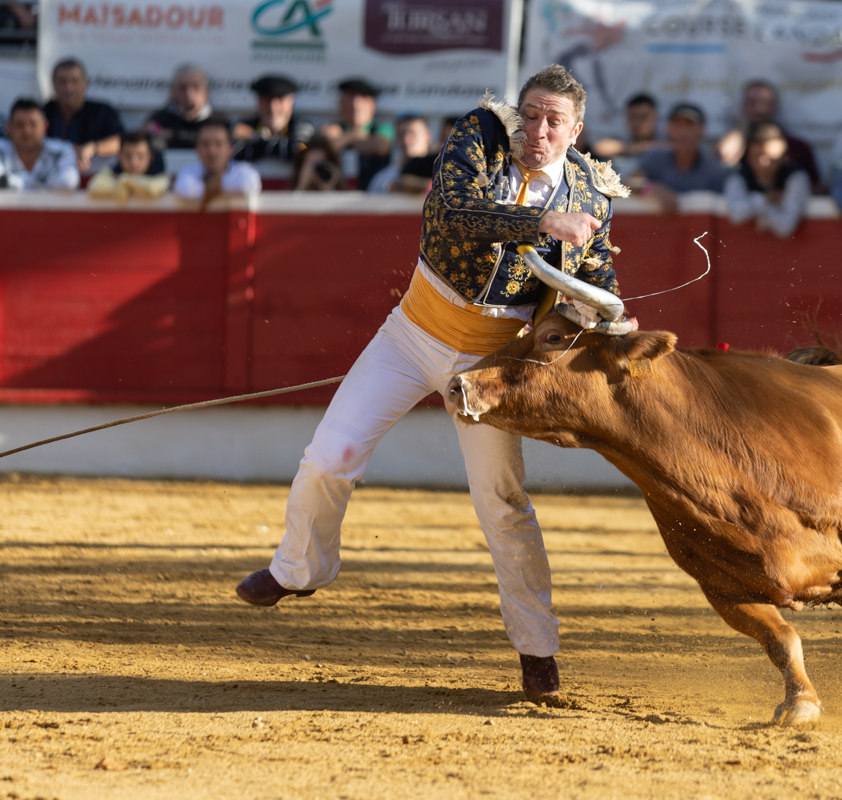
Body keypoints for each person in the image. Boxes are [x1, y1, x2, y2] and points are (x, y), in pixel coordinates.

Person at [233, 64, 630, 707]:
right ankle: (297, 571)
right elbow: (453, 212)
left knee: (501, 502)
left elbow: (599, 272)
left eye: (553, 120)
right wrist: (540, 226)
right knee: (330, 455)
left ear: (575, 129)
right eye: (529, 114)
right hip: (411, 333)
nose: (536, 130)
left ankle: (537, 652)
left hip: (491, 366)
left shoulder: (592, 194)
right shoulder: (480, 132)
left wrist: (604, 309)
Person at [717, 80, 821, 193]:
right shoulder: (737, 144)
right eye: (751, 103)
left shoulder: (798, 147)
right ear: (743, 106)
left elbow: (816, 187)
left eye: (765, 102)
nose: (759, 109)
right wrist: (740, 129)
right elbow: (724, 158)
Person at [636, 102, 729, 214]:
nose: (682, 133)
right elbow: (629, 182)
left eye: (689, 125)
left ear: (702, 130)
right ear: (668, 129)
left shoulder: (716, 171)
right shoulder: (655, 158)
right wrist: (653, 189)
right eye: (677, 125)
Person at [724, 122, 811, 238]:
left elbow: (786, 227)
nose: (763, 163)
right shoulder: (738, 177)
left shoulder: (796, 177)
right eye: (757, 156)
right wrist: (766, 199)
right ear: (748, 157)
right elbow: (736, 215)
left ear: (784, 157)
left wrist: (756, 204)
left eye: (771, 157)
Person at [42, 58, 124, 171]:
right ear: (53, 84)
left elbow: (120, 142)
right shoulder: (42, 112)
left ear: (86, 83)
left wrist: (92, 148)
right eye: (62, 82)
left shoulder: (102, 111)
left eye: (74, 81)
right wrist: (66, 149)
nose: (68, 88)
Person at [318, 77, 394, 190]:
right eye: (349, 99)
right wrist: (360, 138)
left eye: (362, 100)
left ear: (373, 105)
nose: (355, 106)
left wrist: (346, 139)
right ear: (341, 103)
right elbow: (328, 146)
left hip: (374, 195)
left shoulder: (383, 128)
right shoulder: (331, 128)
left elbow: (380, 146)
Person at [175, 118, 262, 204]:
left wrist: (209, 187)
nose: (212, 151)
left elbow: (247, 185)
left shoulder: (243, 170)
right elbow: (185, 190)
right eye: (205, 144)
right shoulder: (188, 171)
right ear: (197, 149)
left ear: (230, 148)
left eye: (218, 144)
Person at [0, 98, 80, 191]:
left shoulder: (62, 151)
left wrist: (12, 182)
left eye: (33, 124)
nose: (27, 131)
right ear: (9, 128)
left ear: (45, 126)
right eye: (19, 125)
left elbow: (68, 182)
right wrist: (45, 185)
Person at [233, 74, 315, 164]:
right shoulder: (245, 125)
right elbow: (234, 153)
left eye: (280, 99)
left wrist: (255, 137)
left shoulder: (302, 125)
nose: (273, 108)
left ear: (292, 101)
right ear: (258, 101)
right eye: (266, 100)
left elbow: (299, 151)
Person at [143, 64, 215, 151]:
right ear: (173, 91)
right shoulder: (161, 118)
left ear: (206, 92)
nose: (189, 93)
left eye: (196, 87)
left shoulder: (217, 121)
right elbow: (146, 135)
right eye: (183, 87)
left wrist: (172, 134)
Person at [88, 132, 170, 200]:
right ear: (119, 156)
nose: (134, 163)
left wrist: (125, 182)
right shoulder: (112, 170)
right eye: (128, 156)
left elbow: (153, 188)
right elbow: (94, 187)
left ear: (151, 156)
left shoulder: (159, 171)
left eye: (141, 156)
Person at [367, 114, 436, 194]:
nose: (406, 140)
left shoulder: (442, 174)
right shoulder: (381, 180)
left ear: (427, 136)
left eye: (412, 133)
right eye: (401, 134)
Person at [590, 93, 665, 159]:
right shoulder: (623, 139)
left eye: (643, 117)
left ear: (655, 118)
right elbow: (599, 148)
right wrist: (634, 148)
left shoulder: (665, 139)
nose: (637, 122)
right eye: (632, 117)